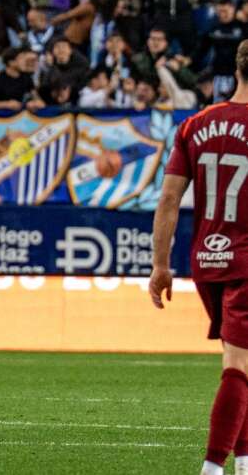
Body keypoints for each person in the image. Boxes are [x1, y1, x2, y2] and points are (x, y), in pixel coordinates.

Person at [149, 39, 248, 475]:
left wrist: (159, 264)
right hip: (247, 260)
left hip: (206, 261)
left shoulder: (194, 124)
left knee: (239, 360)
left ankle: (245, 460)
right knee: (239, 363)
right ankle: (212, 468)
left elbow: (169, 199)